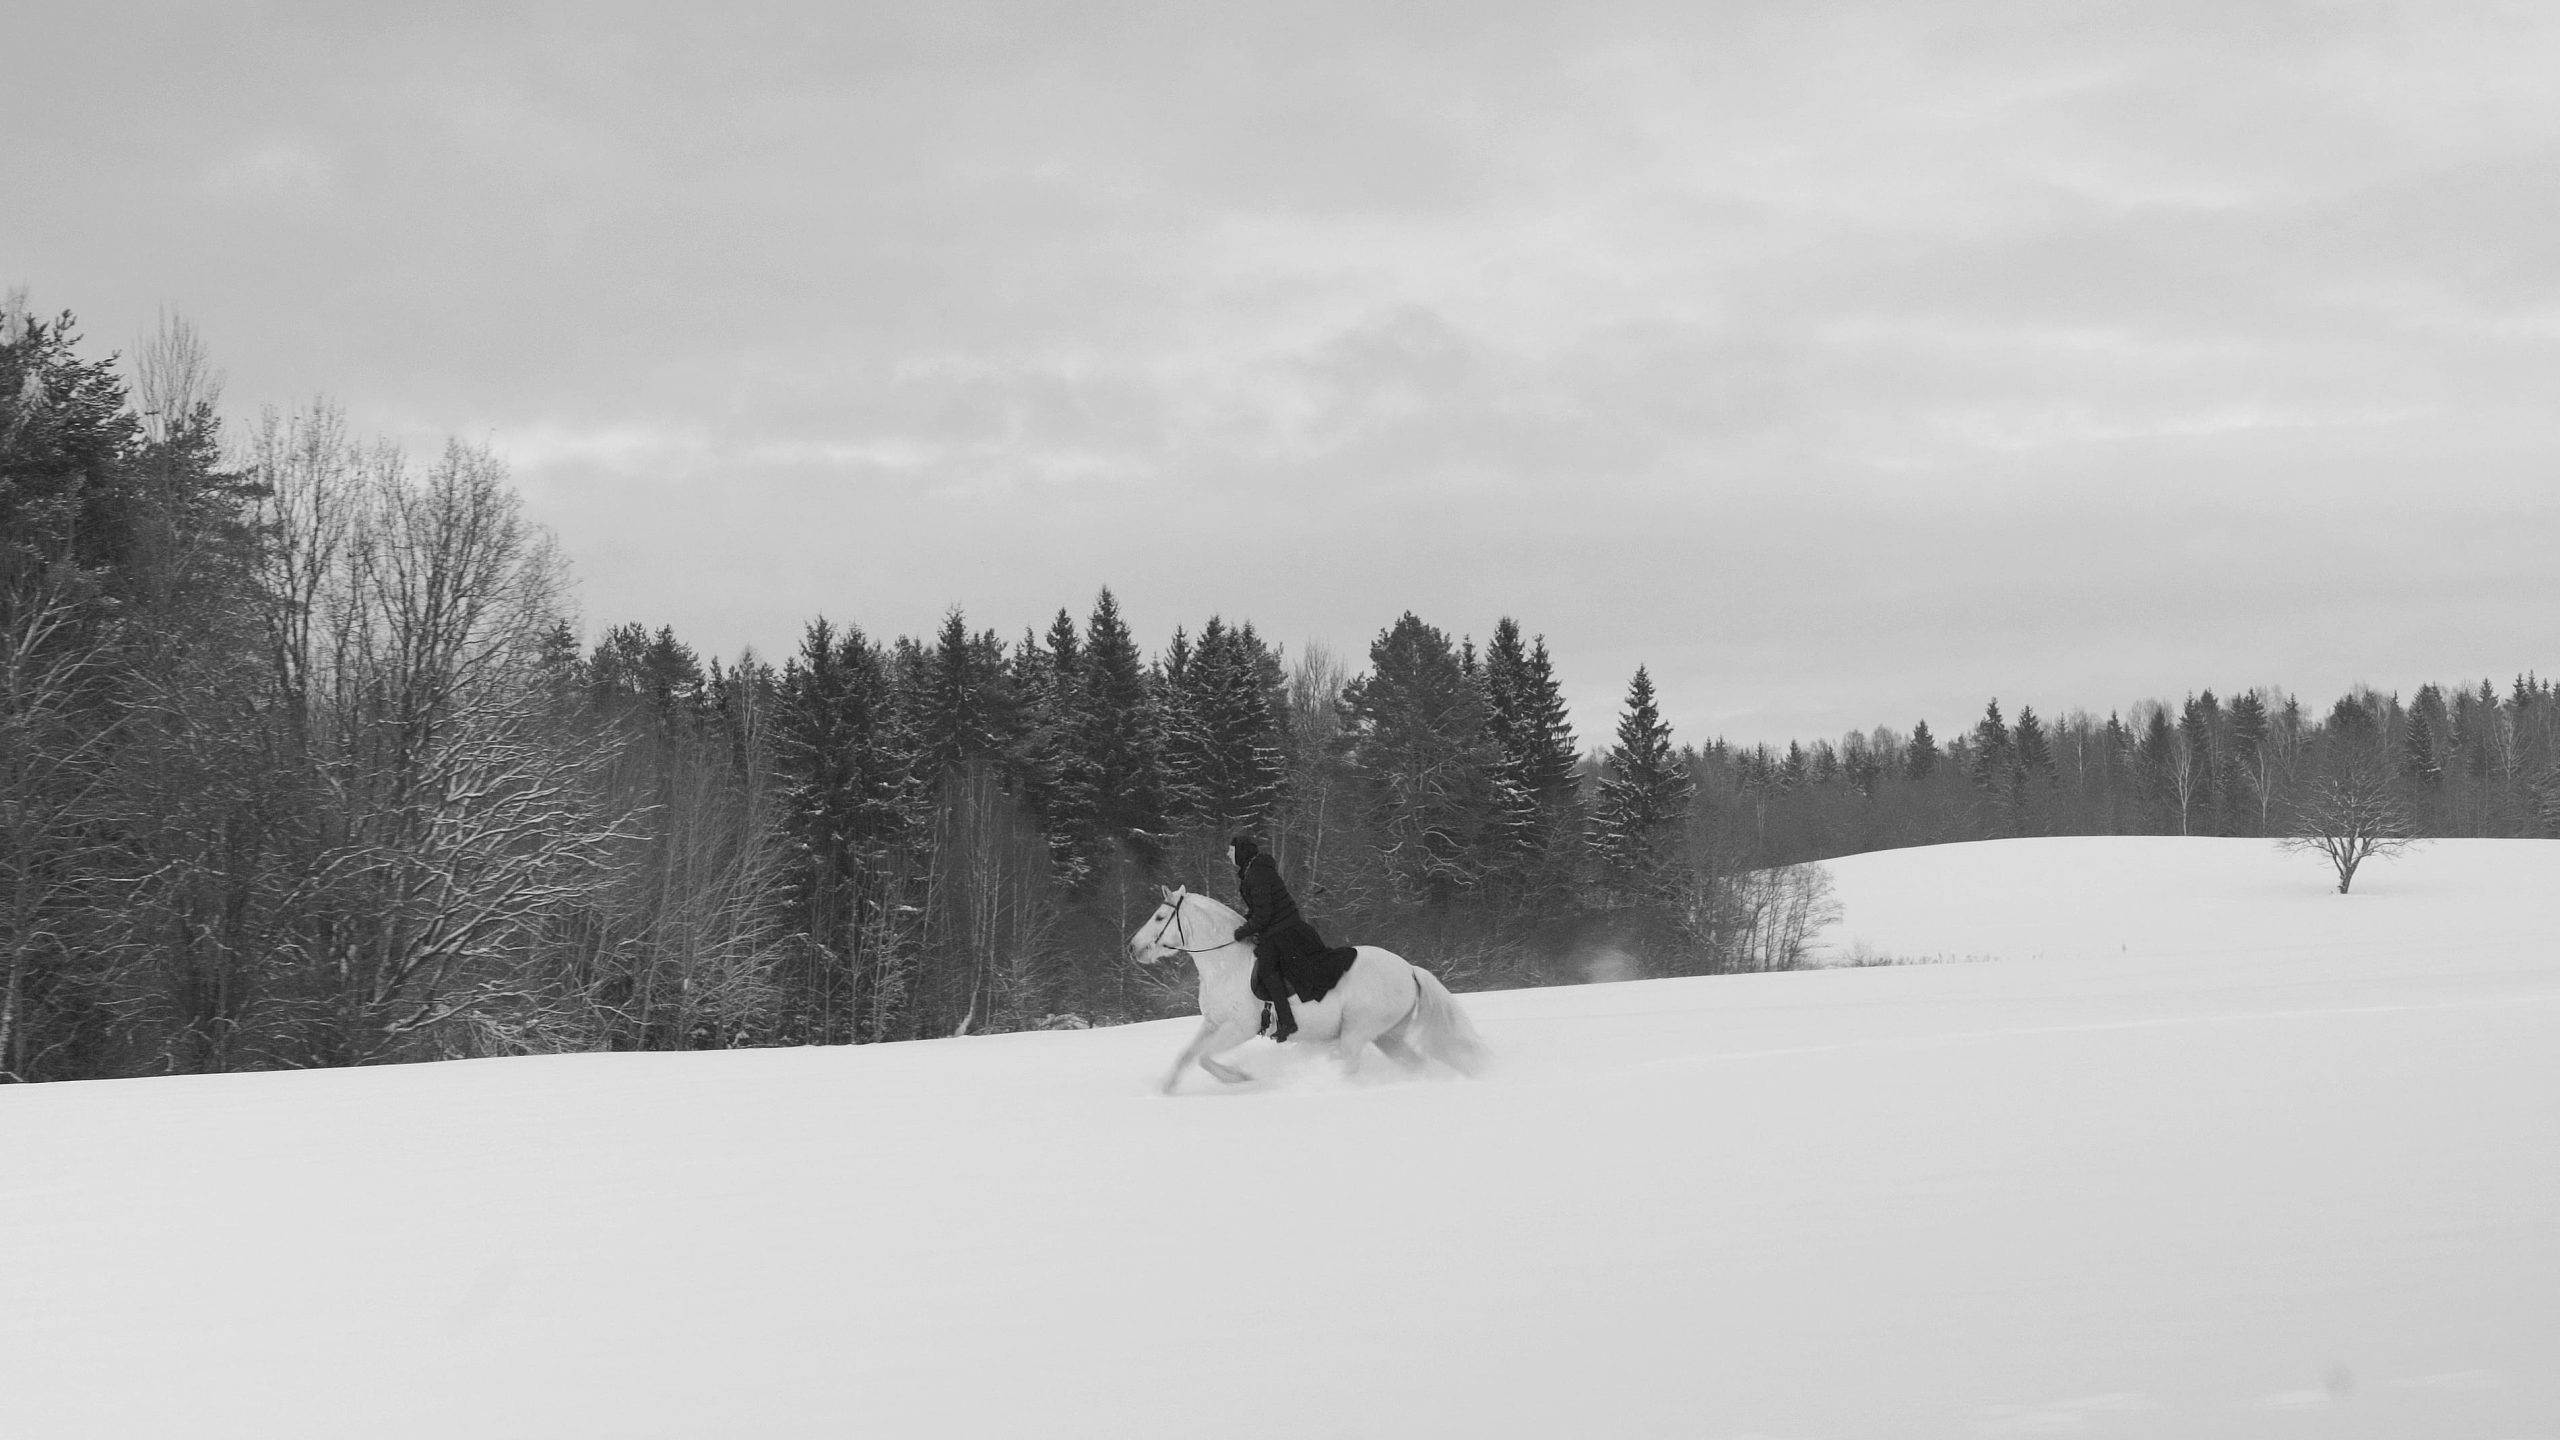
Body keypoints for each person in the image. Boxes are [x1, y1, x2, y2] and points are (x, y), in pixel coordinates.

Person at [1229, 834, 1327, 1043]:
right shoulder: (1253, 871)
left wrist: (1244, 931)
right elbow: (1260, 908)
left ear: (1240, 853)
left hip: (1283, 932)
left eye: (1231, 850)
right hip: (1278, 928)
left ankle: (1287, 1022)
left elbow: (1264, 914)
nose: (1228, 854)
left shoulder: (1256, 874)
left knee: (1266, 970)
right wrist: (1249, 924)